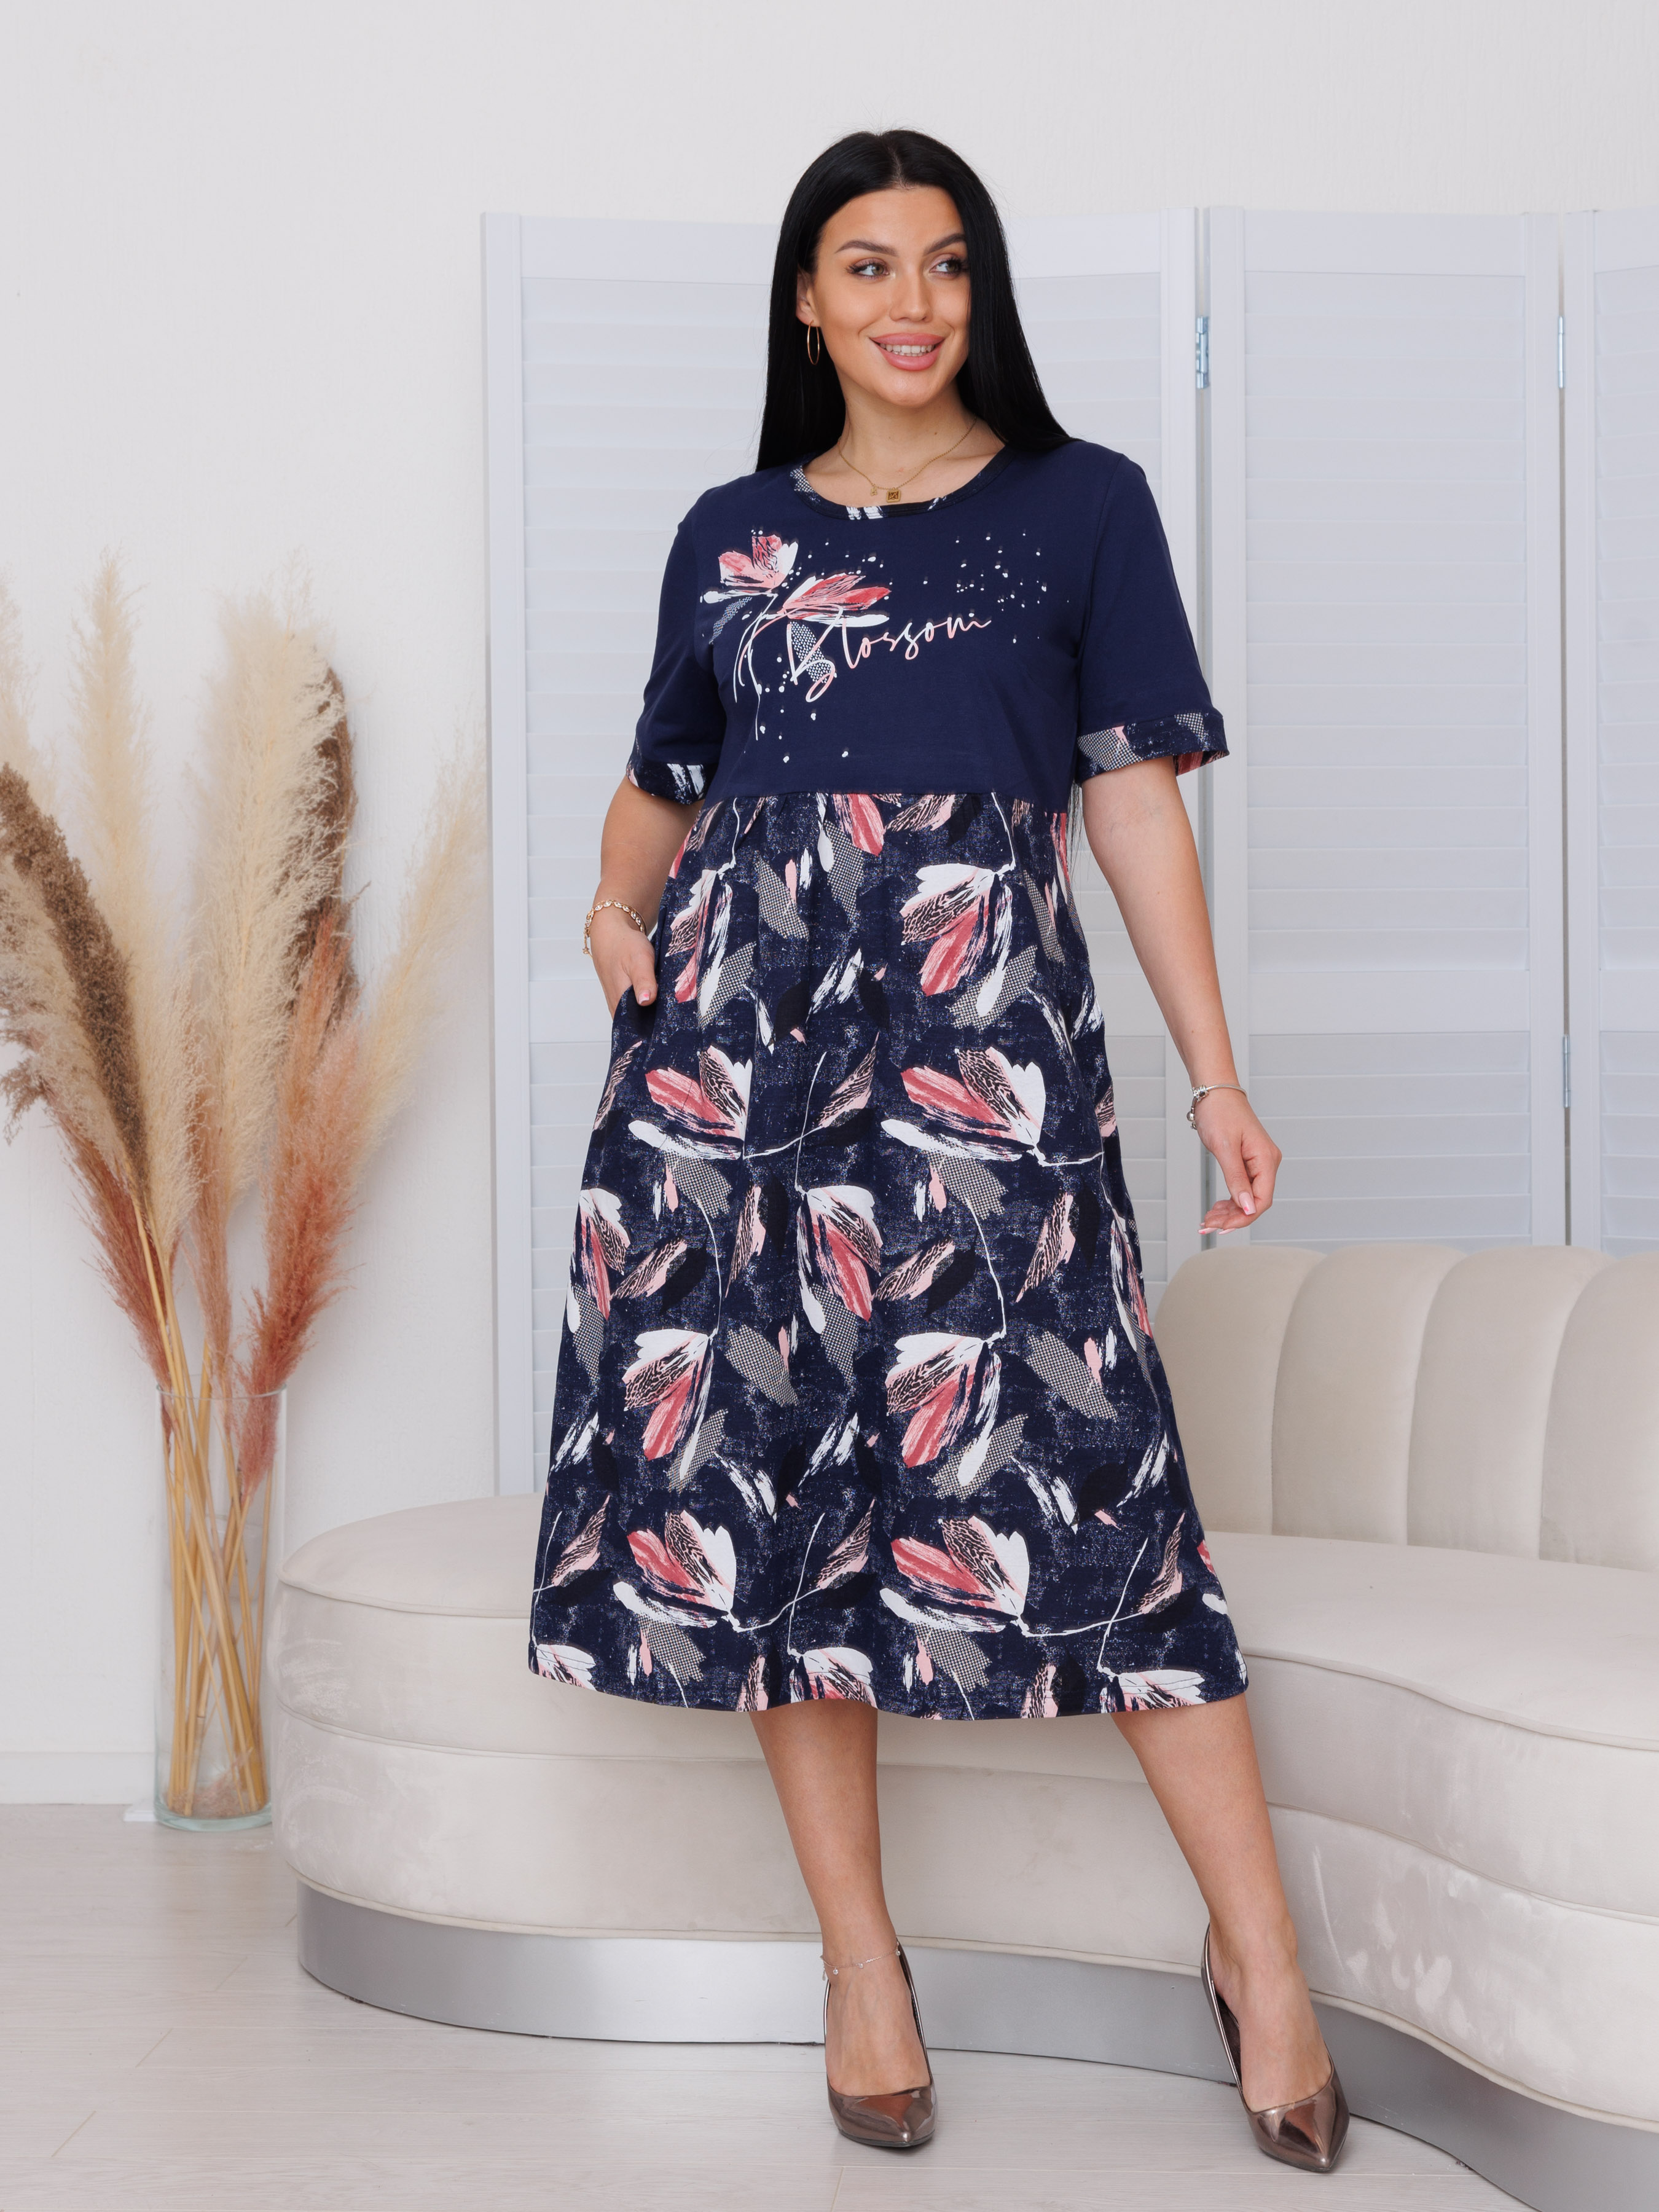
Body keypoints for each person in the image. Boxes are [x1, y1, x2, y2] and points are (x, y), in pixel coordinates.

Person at [530, 126, 1347, 2173]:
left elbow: (1133, 804)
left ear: (981, 291)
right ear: (806, 302)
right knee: (774, 1503)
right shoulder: (730, 532)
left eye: (948, 263)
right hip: (735, 1074)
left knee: (1104, 1494)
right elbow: (663, 777)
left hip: (985, 1055)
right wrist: (615, 912)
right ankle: (861, 1968)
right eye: (868, 265)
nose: (912, 303)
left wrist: (1213, 1074)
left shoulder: (1081, 507)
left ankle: (1259, 1960)